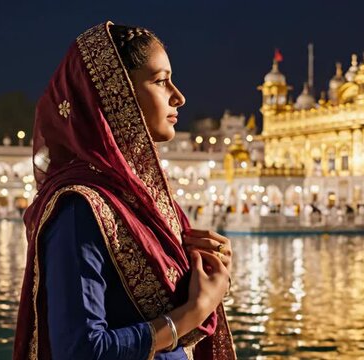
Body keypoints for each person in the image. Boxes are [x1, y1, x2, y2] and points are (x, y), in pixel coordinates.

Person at [13, 22, 236, 360]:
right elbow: (80, 352)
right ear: (115, 95)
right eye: (161, 81)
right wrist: (194, 311)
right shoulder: (80, 207)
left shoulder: (148, 201)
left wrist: (210, 269)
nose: (179, 96)